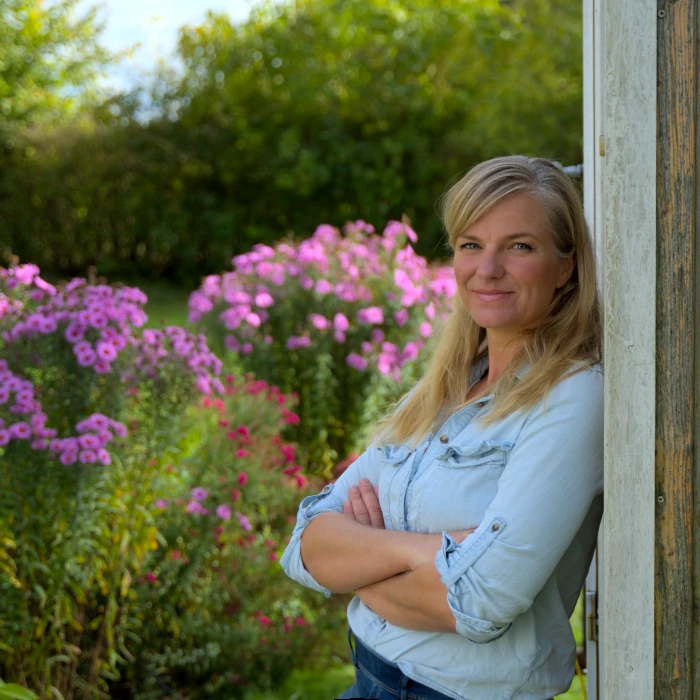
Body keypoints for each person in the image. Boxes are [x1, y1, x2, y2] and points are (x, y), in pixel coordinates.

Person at [280, 155, 603, 700]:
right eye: (471, 244)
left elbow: (481, 601)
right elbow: (305, 544)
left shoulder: (572, 396)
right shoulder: (446, 388)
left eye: (519, 246)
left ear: (566, 266)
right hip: (370, 679)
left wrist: (362, 564)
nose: (488, 268)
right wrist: (425, 553)